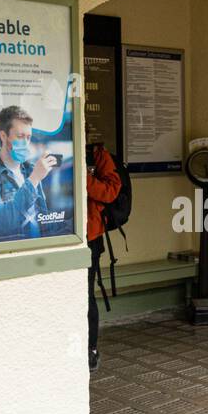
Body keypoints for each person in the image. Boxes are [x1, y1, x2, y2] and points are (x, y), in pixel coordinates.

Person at [0, 105, 58, 242]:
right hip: (4, 258)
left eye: (28, 137)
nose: (26, 143)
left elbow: (42, 219)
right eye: (20, 136)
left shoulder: (30, 170)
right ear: (3, 136)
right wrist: (34, 179)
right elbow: (1, 224)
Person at [86, 128, 121, 371]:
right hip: (62, 234)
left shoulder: (98, 155)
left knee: (86, 295)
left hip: (90, 236)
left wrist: (83, 177)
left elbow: (109, 192)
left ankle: (91, 348)